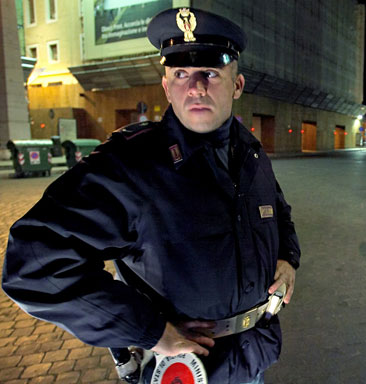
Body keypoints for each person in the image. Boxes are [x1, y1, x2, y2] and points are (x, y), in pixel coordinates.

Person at [2, 7, 300, 384]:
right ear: (166, 87)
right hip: (182, 371)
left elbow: (278, 210)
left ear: (237, 85)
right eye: (180, 74)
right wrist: (150, 331)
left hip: (252, 357)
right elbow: (32, 264)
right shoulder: (131, 164)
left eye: (210, 72)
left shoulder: (250, 153)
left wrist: (287, 257)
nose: (195, 87)